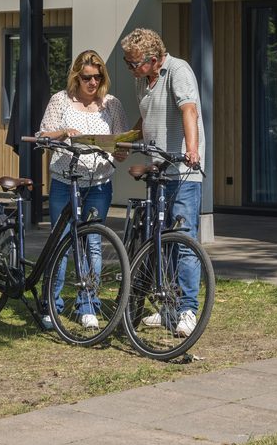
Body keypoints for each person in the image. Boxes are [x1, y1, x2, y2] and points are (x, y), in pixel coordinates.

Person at [120, 27, 204, 337]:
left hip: (182, 172)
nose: (130, 69)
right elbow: (146, 118)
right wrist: (125, 141)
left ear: (154, 59)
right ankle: (168, 307)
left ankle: (187, 310)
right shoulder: (143, 81)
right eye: (127, 62)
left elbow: (189, 110)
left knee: (182, 240)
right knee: (160, 243)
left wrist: (192, 150)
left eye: (134, 63)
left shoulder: (178, 71)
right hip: (158, 170)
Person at [37, 50, 127, 329]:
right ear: (77, 76)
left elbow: (121, 141)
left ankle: (88, 304)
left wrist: (121, 150)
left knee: (93, 244)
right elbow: (42, 136)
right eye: (87, 77)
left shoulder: (111, 105)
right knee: (61, 243)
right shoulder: (60, 101)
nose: (92, 82)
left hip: (99, 184)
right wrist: (63, 132)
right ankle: (53, 304)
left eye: (98, 77)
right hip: (66, 182)